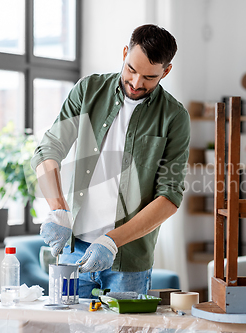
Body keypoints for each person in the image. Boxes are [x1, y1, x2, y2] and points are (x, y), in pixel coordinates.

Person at [31, 24, 190, 297]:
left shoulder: (174, 117)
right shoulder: (88, 91)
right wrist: (58, 209)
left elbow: (169, 197)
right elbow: (49, 148)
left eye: (150, 77)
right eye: (131, 69)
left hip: (128, 260)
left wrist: (112, 242)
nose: (137, 82)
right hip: (74, 251)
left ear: (166, 71)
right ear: (125, 53)